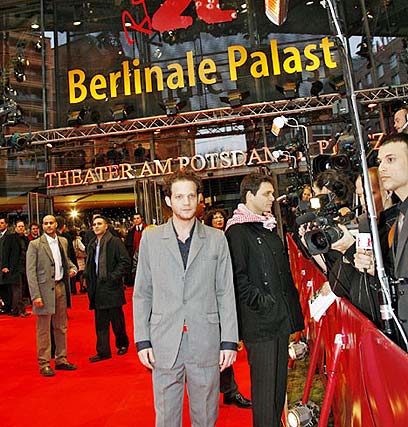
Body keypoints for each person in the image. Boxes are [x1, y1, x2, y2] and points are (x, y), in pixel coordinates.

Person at [133, 170, 238, 427]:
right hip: (164, 340)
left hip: (205, 338)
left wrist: (229, 341)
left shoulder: (217, 239)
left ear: (199, 198)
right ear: (168, 201)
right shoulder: (151, 239)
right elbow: (143, 292)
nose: (186, 202)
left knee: (206, 415)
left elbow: (225, 292)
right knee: (166, 416)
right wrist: (142, 340)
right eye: (179, 197)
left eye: (191, 196)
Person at [225, 172, 304, 427]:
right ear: (250, 196)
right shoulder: (237, 231)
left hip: (279, 320)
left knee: (278, 388)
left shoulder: (266, 225)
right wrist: (264, 303)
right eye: (266, 193)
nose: (272, 198)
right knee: (265, 391)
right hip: (260, 325)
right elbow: (238, 279)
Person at [355, 134, 408, 343]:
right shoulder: (400, 217)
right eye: (380, 161)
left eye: (391, 159)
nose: (382, 168)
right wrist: (375, 268)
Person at [204, 208, 252, 409]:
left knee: (223, 348)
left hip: (229, 295)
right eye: (214, 217)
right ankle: (220, 392)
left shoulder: (231, 236)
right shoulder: (206, 240)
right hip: (208, 301)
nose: (218, 220)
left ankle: (229, 391)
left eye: (220, 217)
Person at [26, 215, 78, 377]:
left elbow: (65, 260)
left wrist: (72, 268)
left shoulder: (63, 241)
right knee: (43, 329)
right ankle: (44, 363)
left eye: (51, 223)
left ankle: (61, 359)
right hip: (43, 292)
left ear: (56, 225)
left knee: (61, 326)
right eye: (45, 223)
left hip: (61, 287)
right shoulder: (35, 245)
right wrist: (35, 295)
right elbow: (30, 272)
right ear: (42, 226)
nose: (48, 225)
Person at [84, 215, 130, 362]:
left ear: (106, 226)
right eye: (94, 224)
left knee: (117, 320)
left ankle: (122, 344)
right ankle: (103, 351)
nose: (96, 226)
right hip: (97, 287)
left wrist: (113, 277)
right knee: (100, 321)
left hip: (112, 286)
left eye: (99, 224)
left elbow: (125, 261)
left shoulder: (115, 242)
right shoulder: (92, 244)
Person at [1, 220, 29, 317]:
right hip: (14, 268)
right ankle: (20, 311)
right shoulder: (10, 238)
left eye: (22, 226)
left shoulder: (26, 239)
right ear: (15, 228)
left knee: (21, 289)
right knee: (17, 290)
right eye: (19, 226)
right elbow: (5, 252)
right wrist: (4, 266)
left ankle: (17, 310)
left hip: (24, 267)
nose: (21, 228)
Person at [124, 213, 146, 286]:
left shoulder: (147, 229)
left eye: (138, 218)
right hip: (134, 254)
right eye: (134, 219)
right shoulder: (131, 231)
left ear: (141, 219)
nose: (136, 220)